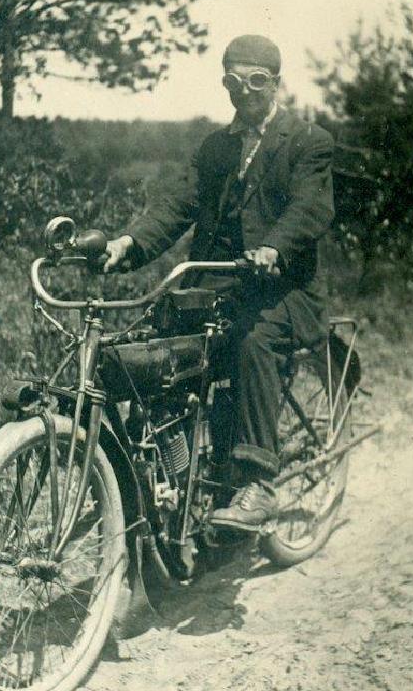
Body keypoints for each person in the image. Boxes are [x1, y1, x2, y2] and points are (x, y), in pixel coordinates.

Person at [103, 34, 335, 530]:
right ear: (225, 82)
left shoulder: (307, 142)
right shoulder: (216, 148)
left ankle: (257, 482)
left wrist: (273, 248)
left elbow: (309, 208)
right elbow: (175, 206)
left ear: (276, 83)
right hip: (216, 286)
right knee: (156, 353)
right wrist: (129, 244)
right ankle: (169, 476)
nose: (244, 91)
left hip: (282, 289)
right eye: (234, 80)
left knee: (253, 343)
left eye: (256, 81)